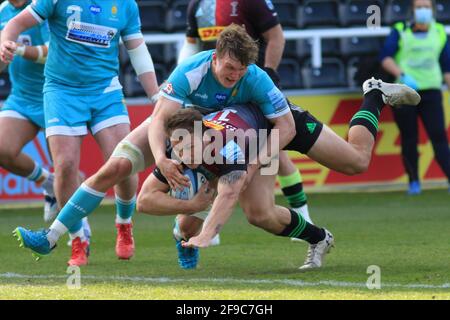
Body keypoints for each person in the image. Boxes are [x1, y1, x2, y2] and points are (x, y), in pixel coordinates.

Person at [13, 25, 420, 271]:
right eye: (230, 68)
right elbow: (159, 120)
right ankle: (52, 236)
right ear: (216, 57)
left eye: (241, 70)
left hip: (267, 130)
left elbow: (284, 125)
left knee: (356, 162)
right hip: (206, 130)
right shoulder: (191, 72)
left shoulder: (256, 79)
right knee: (116, 167)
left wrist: (260, 157)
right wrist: (165, 157)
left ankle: (374, 94)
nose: (234, 76)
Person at [2, 0, 159, 266]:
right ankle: (77, 238)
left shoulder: (125, 5)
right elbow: (16, 23)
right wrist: (6, 40)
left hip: (105, 91)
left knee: (124, 160)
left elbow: (136, 48)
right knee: (65, 166)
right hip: (61, 92)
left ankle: (124, 222)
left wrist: (155, 95)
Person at [178, 0, 313, 246]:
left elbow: (276, 37)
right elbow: (191, 45)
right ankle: (209, 225)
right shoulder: (197, 5)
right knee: (216, 154)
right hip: (214, 92)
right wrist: (182, 78)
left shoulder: (252, 2)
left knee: (276, 155)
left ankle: (303, 214)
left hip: (250, 91)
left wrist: (269, 73)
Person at [380, 0, 450, 195]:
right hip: (404, 92)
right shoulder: (400, 30)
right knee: (409, 138)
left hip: (431, 92)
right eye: (419, 7)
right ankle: (414, 182)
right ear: (412, 10)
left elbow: (446, 66)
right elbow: (385, 57)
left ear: (433, 9)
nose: (423, 11)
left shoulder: (439, 31)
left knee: (439, 137)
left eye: (426, 7)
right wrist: (402, 75)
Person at [0, 0, 56, 221]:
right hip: (22, 97)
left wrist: (20, 50)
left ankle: (79, 233)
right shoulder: (3, 10)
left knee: (66, 169)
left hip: (56, 95)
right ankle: (48, 182)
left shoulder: (44, 6)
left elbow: (54, 52)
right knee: (2, 149)